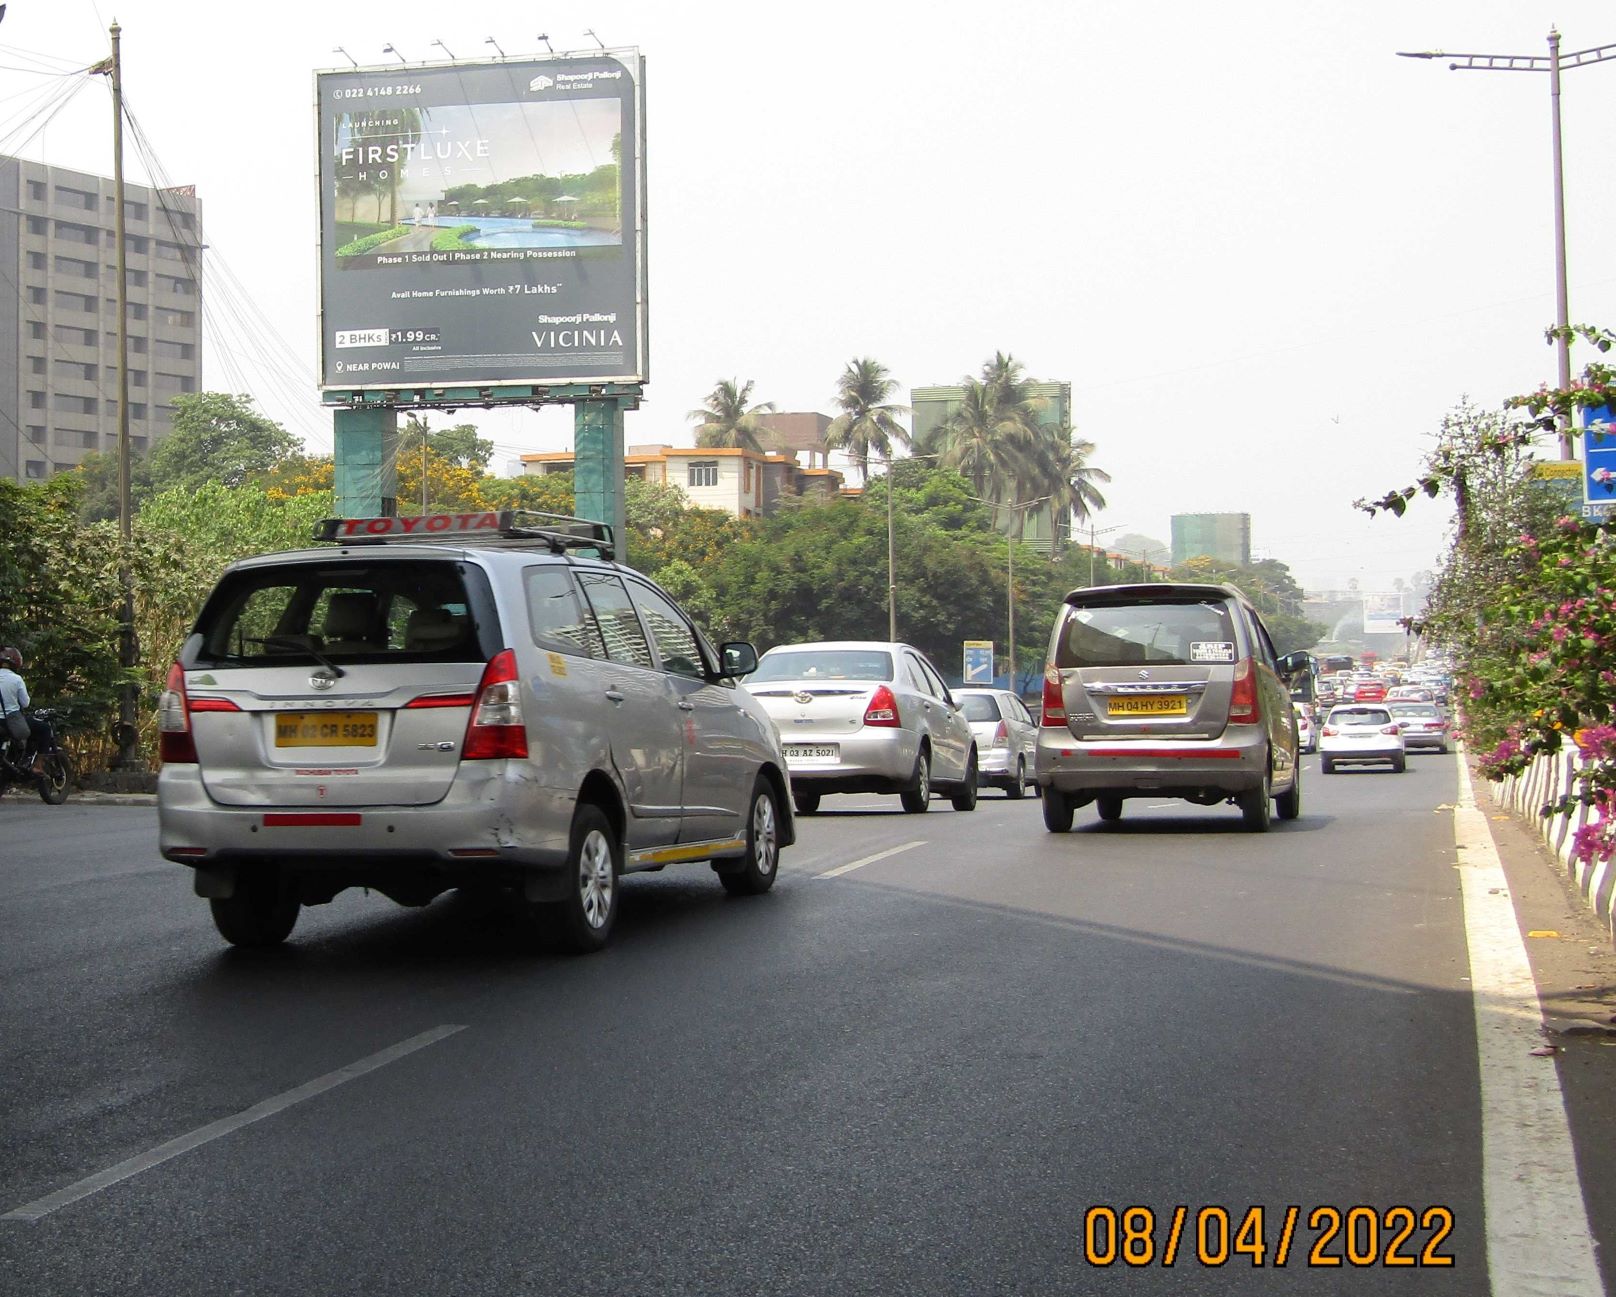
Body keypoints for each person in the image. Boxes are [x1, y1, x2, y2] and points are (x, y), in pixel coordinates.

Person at [0, 646, 55, 773]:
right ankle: (37, 765)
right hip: (11, 721)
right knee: (44, 729)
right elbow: (25, 704)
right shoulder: (16, 679)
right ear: (15, 662)